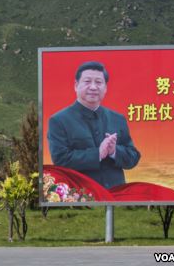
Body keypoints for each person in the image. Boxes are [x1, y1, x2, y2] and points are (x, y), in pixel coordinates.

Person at [48, 61, 141, 189]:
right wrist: (98, 153)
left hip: (117, 194)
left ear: (105, 88)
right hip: (82, 196)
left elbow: (133, 157)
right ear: (76, 85)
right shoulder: (59, 120)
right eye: (87, 81)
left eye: (98, 82)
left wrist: (114, 151)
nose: (93, 87)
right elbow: (61, 160)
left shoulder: (118, 118)